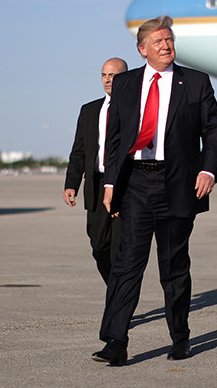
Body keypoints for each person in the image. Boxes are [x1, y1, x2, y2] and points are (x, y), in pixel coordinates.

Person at [92, 15, 217, 365]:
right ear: (142, 49)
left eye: (169, 39)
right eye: (159, 41)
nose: (166, 46)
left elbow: (212, 128)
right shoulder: (125, 84)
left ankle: (180, 338)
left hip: (177, 184)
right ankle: (115, 342)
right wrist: (110, 184)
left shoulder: (195, 82)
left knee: (174, 266)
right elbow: (116, 139)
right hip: (135, 183)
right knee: (126, 264)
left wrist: (208, 169)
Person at [64, 58, 127, 284]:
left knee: (120, 248)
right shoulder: (89, 110)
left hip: (123, 186)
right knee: (99, 245)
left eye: (113, 75)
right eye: (104, 75)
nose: (108, 80)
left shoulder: (134, 108)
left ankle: (119, 297)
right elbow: (79, 151)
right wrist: (71, 184)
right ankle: (115, 289)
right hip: (96, 185)